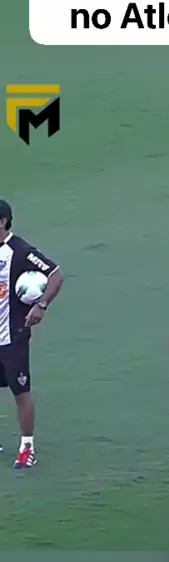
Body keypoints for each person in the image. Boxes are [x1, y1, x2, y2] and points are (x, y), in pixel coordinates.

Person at [0, 200, 64, 468]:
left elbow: (56, 274)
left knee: (20, 391)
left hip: (12, 335)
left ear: (3, 222)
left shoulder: (20, 250)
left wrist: (41, 305)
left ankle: (27, 449)